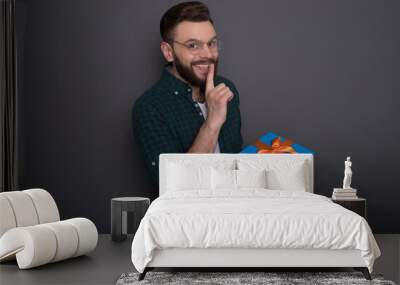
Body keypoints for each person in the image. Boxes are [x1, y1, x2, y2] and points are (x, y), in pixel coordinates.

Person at [132, 1, 243, 184]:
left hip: (235, 208)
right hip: (186, 212)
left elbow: (237, 164)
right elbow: (175, 185)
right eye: (193, 45)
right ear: (169, 52)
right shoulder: (149, 108)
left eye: (211, 43)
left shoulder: (226, 89)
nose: (207, 54)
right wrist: (213, 122)